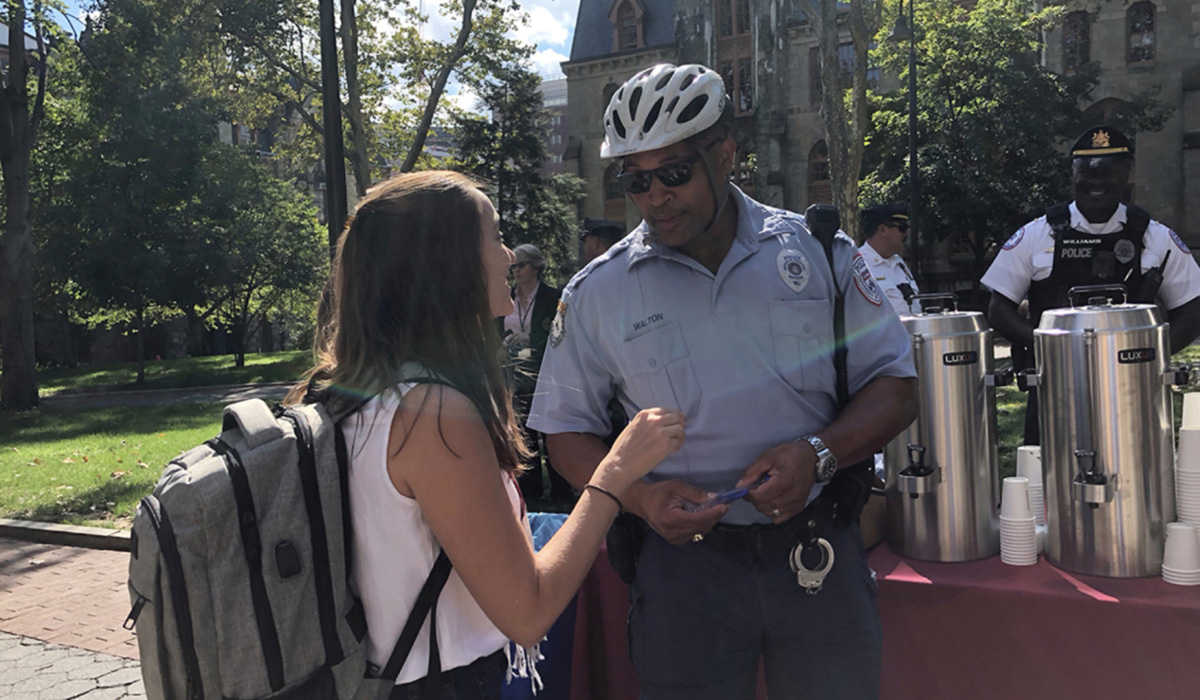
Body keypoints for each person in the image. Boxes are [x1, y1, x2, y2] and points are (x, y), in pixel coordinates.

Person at [528, 64, 918, 700]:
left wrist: (817, 455)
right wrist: (639, 499)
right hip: (684, 574)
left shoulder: (819, 252)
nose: (655, 196)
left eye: (674, 173)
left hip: (817, 547)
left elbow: (896, 385)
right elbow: (564, 432)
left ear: (726, 154)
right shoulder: (598, 292)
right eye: (635, 178)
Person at [292, 171, 685, 698]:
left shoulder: (348, 394)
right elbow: (530, 610)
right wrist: (615, 472)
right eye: (494, 236)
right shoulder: (431, 413)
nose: (508, 258)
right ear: (446, 265)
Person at [983, 125, 1200, 445]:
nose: (1097, 180)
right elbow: (998, 310)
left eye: (1110, 170)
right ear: (1072, 174)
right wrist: (1054, 348)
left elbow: (1193, 310)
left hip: (1134, 389)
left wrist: (1148, 354)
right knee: (1047, 485)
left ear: (1127, 172)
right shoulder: (1036, 235)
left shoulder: (1156, 237)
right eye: (1086, 170)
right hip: (1055, 388)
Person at [501, 244, 570, 501]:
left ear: (535, 267)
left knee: (550, 432)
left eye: (521, 265)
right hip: (514, 374)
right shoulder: (507, 295)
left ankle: (561, 492)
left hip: (546, 372)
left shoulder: (553, 297)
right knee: (522, 433)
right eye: (513, 266)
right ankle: (530, 493)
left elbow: (559, 332)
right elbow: (497, 324)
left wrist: (529, 339)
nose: (516, 270)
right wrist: (505, 341)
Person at [860, 203, 920, 315]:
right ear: (883, 230)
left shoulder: (899, 263)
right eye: (902, 228)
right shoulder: (859, 265)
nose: (906, 234)